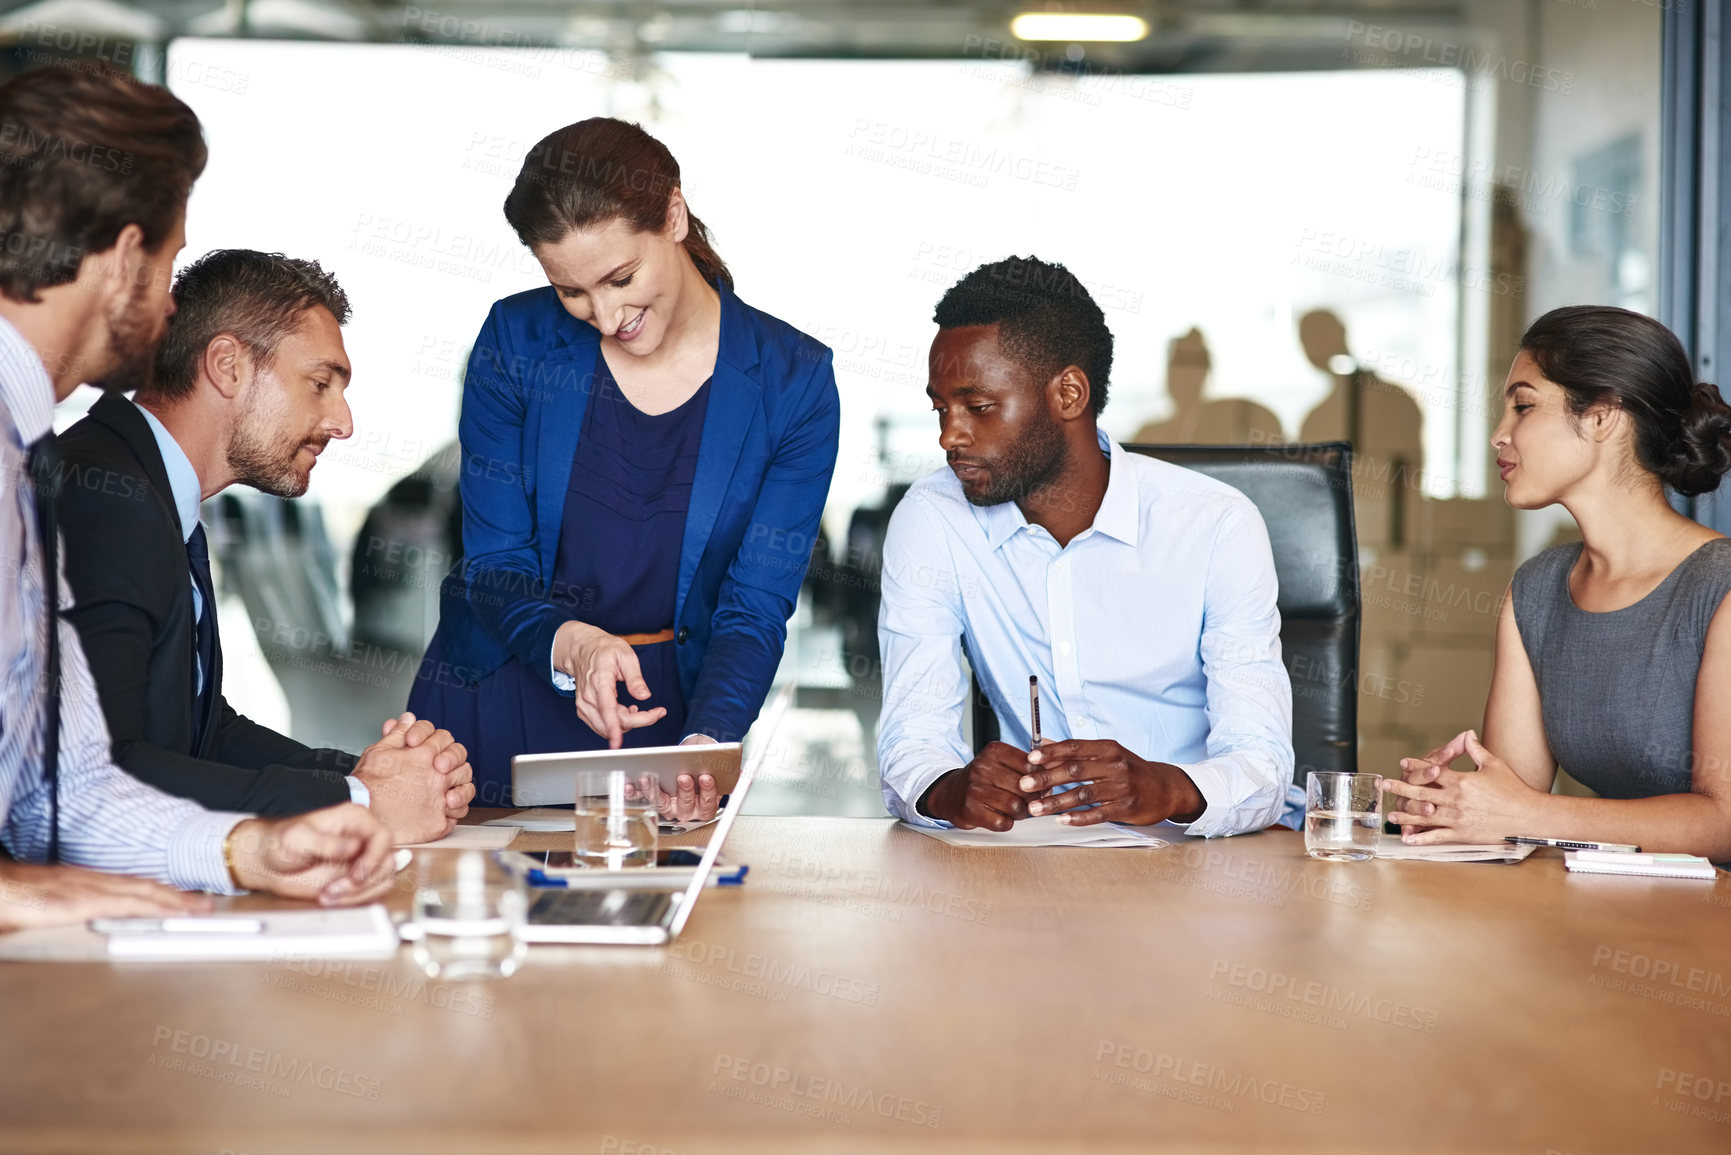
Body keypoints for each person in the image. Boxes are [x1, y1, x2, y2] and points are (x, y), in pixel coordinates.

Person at [0, 64, 397, 928]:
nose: (172, 300)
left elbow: (57, 789)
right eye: (171, 261)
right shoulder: (68, 477)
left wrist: (253, 847)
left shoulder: (28, 463)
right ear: (121, 258)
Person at [408, 118, 840, 812]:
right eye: (571, 292)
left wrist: (710, 740)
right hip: (501, 693)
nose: (605, 317)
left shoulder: (792, 381)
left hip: (669, 717)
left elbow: (754, 602)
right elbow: (494, 561)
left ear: (672, 214)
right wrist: (573, 646)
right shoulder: (514, 344)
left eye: (620, 278)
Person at [55, 249, 475, 844]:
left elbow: (203, 730)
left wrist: (365, 774)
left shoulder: (155, 494)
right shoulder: (106, 498)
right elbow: (105, 769)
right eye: (320, 384)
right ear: (227, 365)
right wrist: (359, 799)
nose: (343, 421)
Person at [876, 256, 1293, 833]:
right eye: (941, 409)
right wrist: (947, 790)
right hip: (1037, 861)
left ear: (1069, 393)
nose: (950, 435)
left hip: (1202, 853)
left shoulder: (1216, 525)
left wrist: (1166, 786)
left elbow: (1264, 767)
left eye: (979, 407)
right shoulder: (933, 519)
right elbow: (912, 741)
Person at [1385, 306, 1731, 860]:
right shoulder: (1538, 588)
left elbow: (1724, 821)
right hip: (1598, 915)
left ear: (1601, 417)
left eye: (1523, 406)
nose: (1500, 434)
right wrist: (1453, 803)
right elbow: (1512, 803)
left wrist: (1523, 813)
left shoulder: (1719, 589)